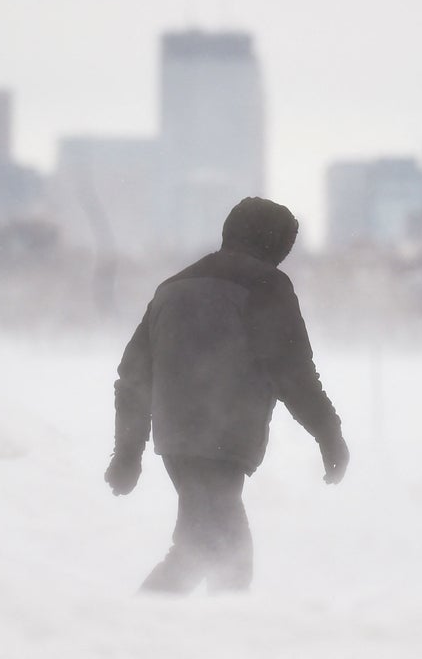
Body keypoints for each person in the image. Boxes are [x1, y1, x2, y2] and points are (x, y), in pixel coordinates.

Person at [104, 196, 349, 594]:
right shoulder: (266, 285)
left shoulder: (172, 287)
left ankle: (167, 633)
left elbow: (133, 377)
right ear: (274, 242)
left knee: (203, 549)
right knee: (224, 558)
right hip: (222, 441)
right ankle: (147, 634)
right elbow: (293, 372)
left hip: (178, 443)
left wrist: (127, 453)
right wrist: (329, 435)